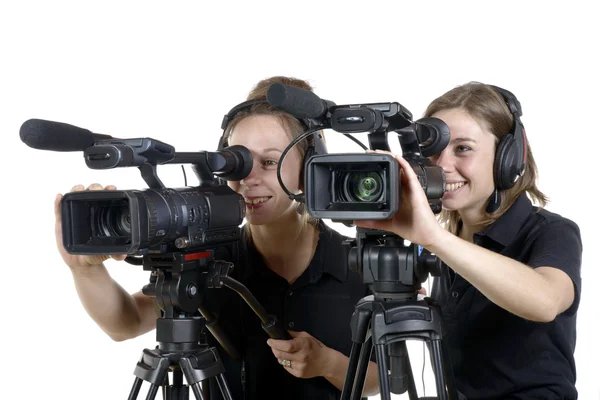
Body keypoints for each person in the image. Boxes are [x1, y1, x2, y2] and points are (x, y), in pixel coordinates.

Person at [54, 76, 380, 400]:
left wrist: (327, 363)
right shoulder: (207, 253)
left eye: (268, 162)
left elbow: (388, 380)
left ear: (311, 169)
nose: (249, 179)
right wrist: (85, 270)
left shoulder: (359, 260)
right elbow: (125, 322)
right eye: (238, 162)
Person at [355, 82, 582, 399]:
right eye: (433, 150)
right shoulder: (451, 239)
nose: (443, 165)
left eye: (463, 149)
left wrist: (434, 239)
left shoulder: (550, 231)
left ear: (507, 157)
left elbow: (545, 302)